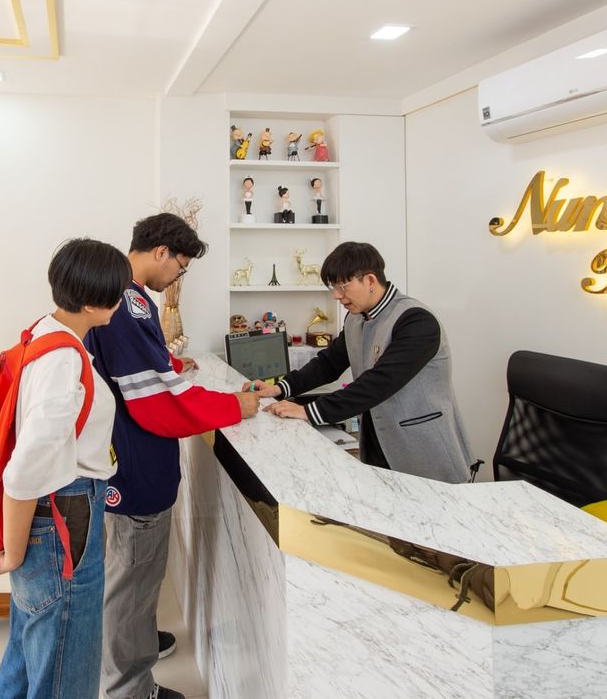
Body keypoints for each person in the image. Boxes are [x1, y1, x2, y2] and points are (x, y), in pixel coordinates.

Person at [85, 213, 260, 699]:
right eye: (180, 267)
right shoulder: (127, 303)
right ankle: (128, 688)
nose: (177, 278)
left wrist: (169, 363)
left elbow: (134, 370)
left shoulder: (127, 294)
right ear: (161, 252)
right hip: (134, 459)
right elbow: (157, 402)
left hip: (126, 452)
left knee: (133, 572)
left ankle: (135, 642)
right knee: (131, 577)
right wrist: (235, 406)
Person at [0, 238, 132, 699]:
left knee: (29, 650)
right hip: (64, 513)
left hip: (51, 512)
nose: (122, 301)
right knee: (65, 664)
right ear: (92, 302)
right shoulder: (63, 361)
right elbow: (25, 470)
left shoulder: (44, 331)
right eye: (117, 293)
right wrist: (13, 552)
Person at [246, 242, 475, 483]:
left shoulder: (416, 321)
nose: (336, 295)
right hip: (378, 445)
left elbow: (379, 383)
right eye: (333, 287)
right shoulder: (356, 318)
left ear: (370, 280)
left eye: (342, 286)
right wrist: (280, 388)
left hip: (424, 451)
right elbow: (329, 364)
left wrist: (308, 411)